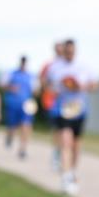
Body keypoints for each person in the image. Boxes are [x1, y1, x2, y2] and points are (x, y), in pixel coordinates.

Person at [47, 39, 98, 195]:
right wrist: (57, 89)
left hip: (79, 110)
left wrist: (82, 86)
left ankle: (72, 171)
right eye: (67, 51)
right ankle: (66, 176)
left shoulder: (84, 66)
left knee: (76, 145)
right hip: (62, 109)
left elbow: (95, 84)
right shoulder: (55, 67)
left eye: (72, 51)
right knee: (66, 141)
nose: (69, 54)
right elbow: (47, 85)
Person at [1, 55, 39, 160]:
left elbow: (36, 91)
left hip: (26, 105)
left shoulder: (31, 76)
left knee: (26, 125)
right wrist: (10, 87)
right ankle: (10, 137)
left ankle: (22, 149)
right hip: (12, 104)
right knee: (12, 126)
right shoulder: (11, 73)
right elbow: (2, 85)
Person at [41, 42, 65, 172]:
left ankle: (62, 154)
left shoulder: (70, 65)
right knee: (57, 130)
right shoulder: (50, 66)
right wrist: (51, 91)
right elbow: (43, 82)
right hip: (53, 103)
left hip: (67, 104)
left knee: (65, 131)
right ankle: (57, 154)